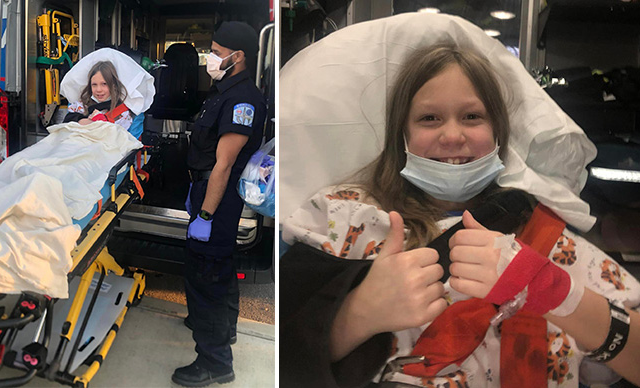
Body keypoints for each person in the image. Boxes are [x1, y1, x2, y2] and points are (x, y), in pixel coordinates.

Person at [281, 43, 640, 387]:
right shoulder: (339, 218)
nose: (452, 135)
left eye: (472, 117)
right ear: (401, 135)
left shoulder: (548, 243)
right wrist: (358, 313)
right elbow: (280, 361)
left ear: (499, 133)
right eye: (429, 118)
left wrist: (552, 290)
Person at [173, 21, 266, 387]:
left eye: (216, 51)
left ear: (237, 56)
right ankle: (223, 331)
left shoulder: (241, 99)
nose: (210, 57)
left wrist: (206, 215)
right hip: (207, 191)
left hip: (218, 197)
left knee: (205, 275)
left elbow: (224, 164)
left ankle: (214, 363)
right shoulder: (223, 90)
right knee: (220, 269)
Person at [63, 60, 133, 131]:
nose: (99, 89)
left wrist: (100, 122)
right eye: (94, 85)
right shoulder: (80, 106)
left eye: (104, 84)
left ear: (114, 85)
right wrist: (84, 121)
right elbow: (65, 127)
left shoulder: (122, 113)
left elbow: (120, 137)